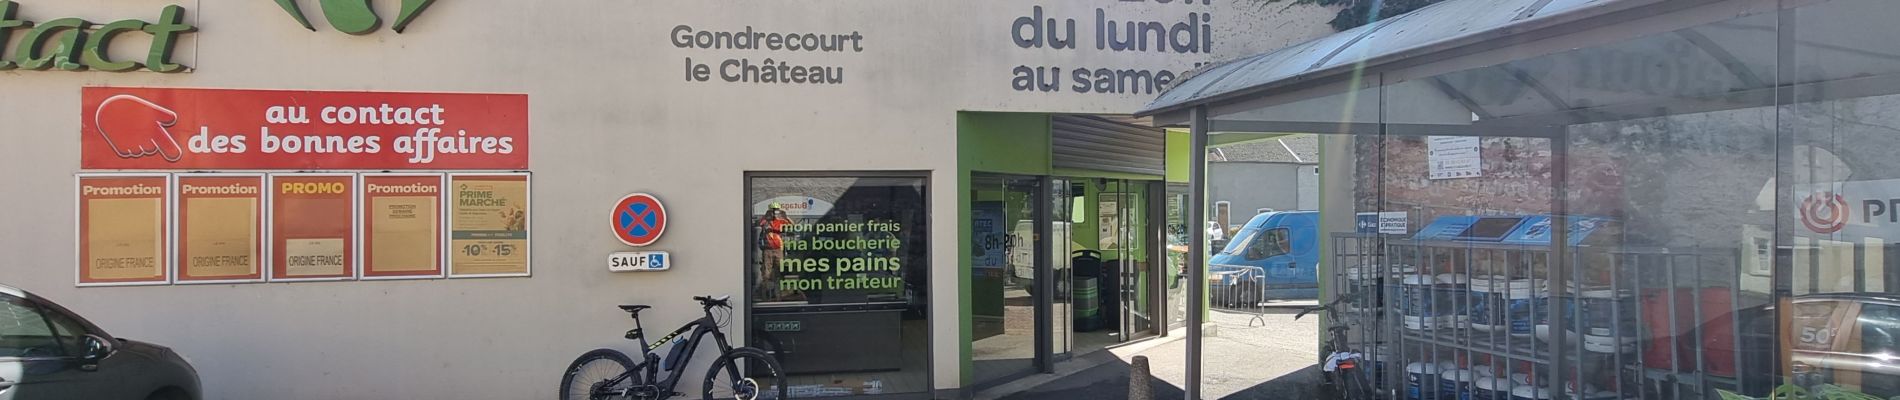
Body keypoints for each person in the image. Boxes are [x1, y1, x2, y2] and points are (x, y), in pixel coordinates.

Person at [757, 203, 792, 298]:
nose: (774, 213)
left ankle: (778, 294)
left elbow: (792, 226)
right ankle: (765, 295)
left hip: (778, 249)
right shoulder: (766, 220)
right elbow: (760, 224)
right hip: (768, 249)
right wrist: (767, 215)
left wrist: (785, 216)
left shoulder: (780, 221)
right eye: (773, 211)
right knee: (766, 273)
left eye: (776, 211)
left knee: (779, 271)